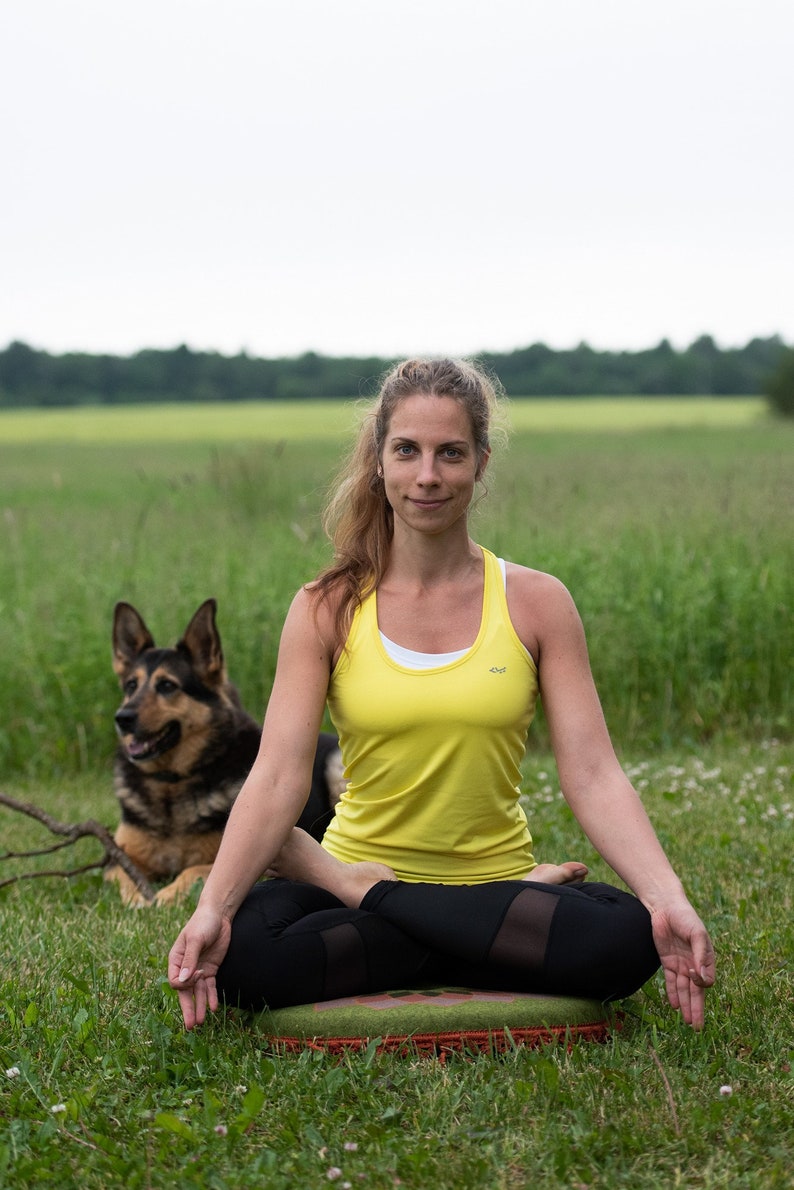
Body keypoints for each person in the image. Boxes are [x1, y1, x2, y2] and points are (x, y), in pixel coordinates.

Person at [168, 357, 715, 1031]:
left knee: (627, 936)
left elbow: (594, 774)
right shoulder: (326, 607)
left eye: (450, 453)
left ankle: (388, 904)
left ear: (481, 462)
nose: (428, 476)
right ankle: (466, 934)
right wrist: (213, 908)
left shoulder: (538, 603)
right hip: (394, 890)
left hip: (471, 884)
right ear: (379, 462)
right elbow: (279, 775)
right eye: (408, 451)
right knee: (247, 953)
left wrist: (668, 897)